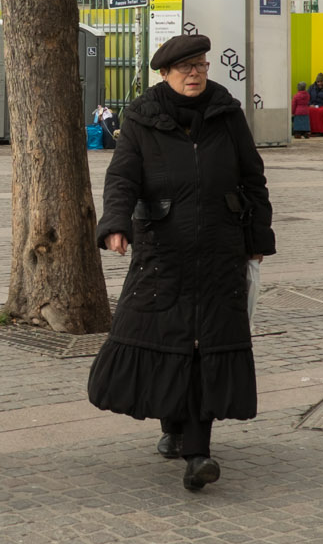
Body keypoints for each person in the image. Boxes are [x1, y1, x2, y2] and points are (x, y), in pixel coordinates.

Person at [89, 33, 275, 493]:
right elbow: (122, 177)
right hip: (163, 253)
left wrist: (257, 239)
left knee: (206, 344)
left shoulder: (227, 115)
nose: (195, 73)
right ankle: (173, 423)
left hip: (219, 251)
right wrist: (116, 224)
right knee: (171, 337)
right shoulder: (141, 118)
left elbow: (253, 179)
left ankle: (199, 453)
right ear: (165, 73)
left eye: (201, 65)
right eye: (185, 67)